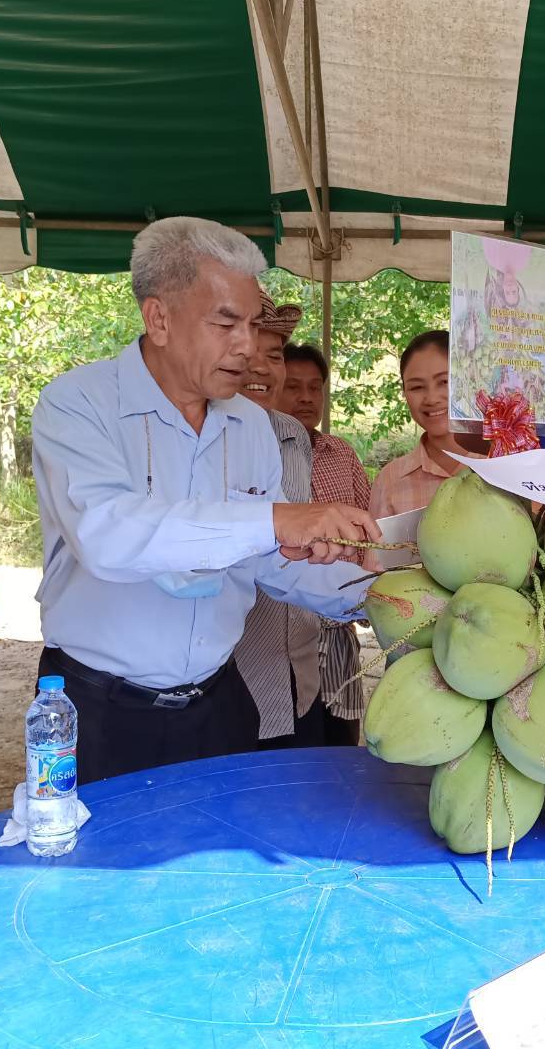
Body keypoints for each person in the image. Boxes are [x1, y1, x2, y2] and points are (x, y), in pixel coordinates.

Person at [30, 217, 378, 784]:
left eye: (252, 324)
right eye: (226, 323)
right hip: (99, 711)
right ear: (158, 318)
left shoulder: (250, 425)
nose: (248, 348)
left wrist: (380, 595)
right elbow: (108, 535)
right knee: (106, 871)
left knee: (217, 867)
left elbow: (268, 560)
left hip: (218, 699)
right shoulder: (77, 404)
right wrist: (276, 518)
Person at [232, 291, 332, 747]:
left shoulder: (293, 436)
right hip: (229, 677)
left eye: (272, 355)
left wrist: (371, 588)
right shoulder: (189, 436)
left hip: (298, 670)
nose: (259, 367)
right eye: (244, 352)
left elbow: (289, 559)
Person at [282, 340, 371, 744]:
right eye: (293, 386)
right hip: (278, 634)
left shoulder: (342, 454)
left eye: (314, 387)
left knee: (340, 750)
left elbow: (372, 535)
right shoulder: (259, 457)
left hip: (337, 633)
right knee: (288, 747)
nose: (305, 397)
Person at [368, 330, 482, 518]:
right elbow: (377, 548)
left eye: (444, 381)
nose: (431, 398)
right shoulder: (390, 480)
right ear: (404, 393)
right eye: (417, 387)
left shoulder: (505, 463)